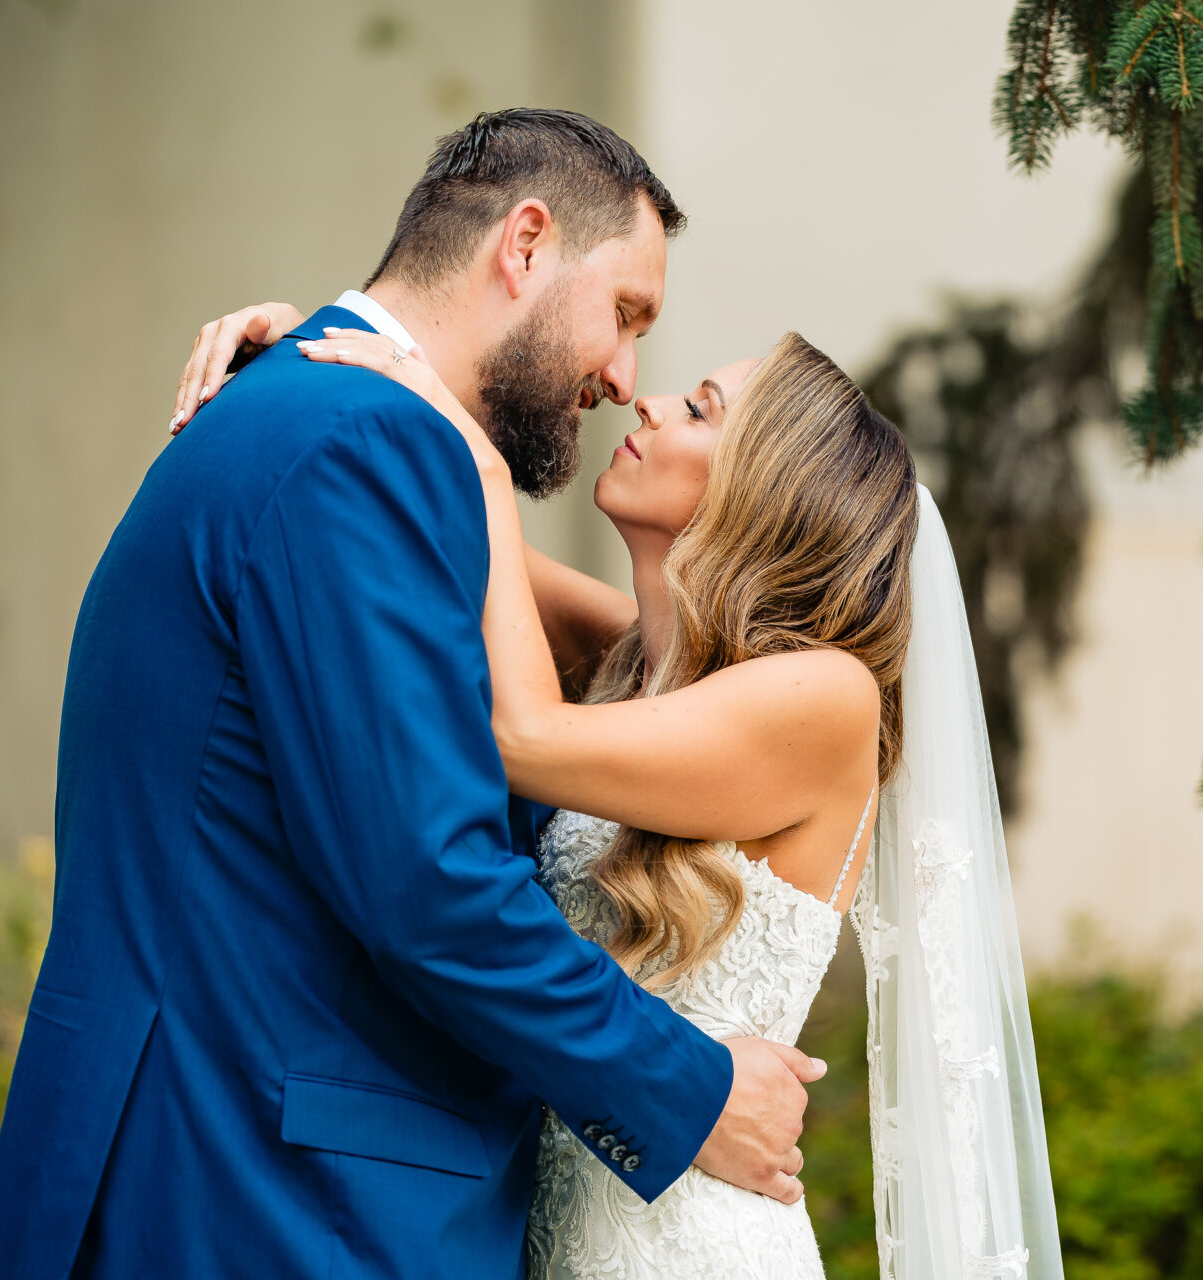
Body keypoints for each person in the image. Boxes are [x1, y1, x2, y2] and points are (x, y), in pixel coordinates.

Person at [0, 110, 822, 1280]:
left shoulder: (328, 418)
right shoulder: (362, 447)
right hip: (265, 1201)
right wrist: (690, 1088)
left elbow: (651, 673)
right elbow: (430, 883)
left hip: (227, 1162)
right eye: (626, 313)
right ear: (524, 245)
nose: (626, 378)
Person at [170, 325, 1065, 1276]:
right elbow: (442, 549)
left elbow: (522, 736)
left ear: (770, 489)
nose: (652, 401)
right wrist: (298, 361)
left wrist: (476, 457)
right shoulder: (640, 671)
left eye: (703, 410)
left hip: (689, 1248)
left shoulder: (826, 697)